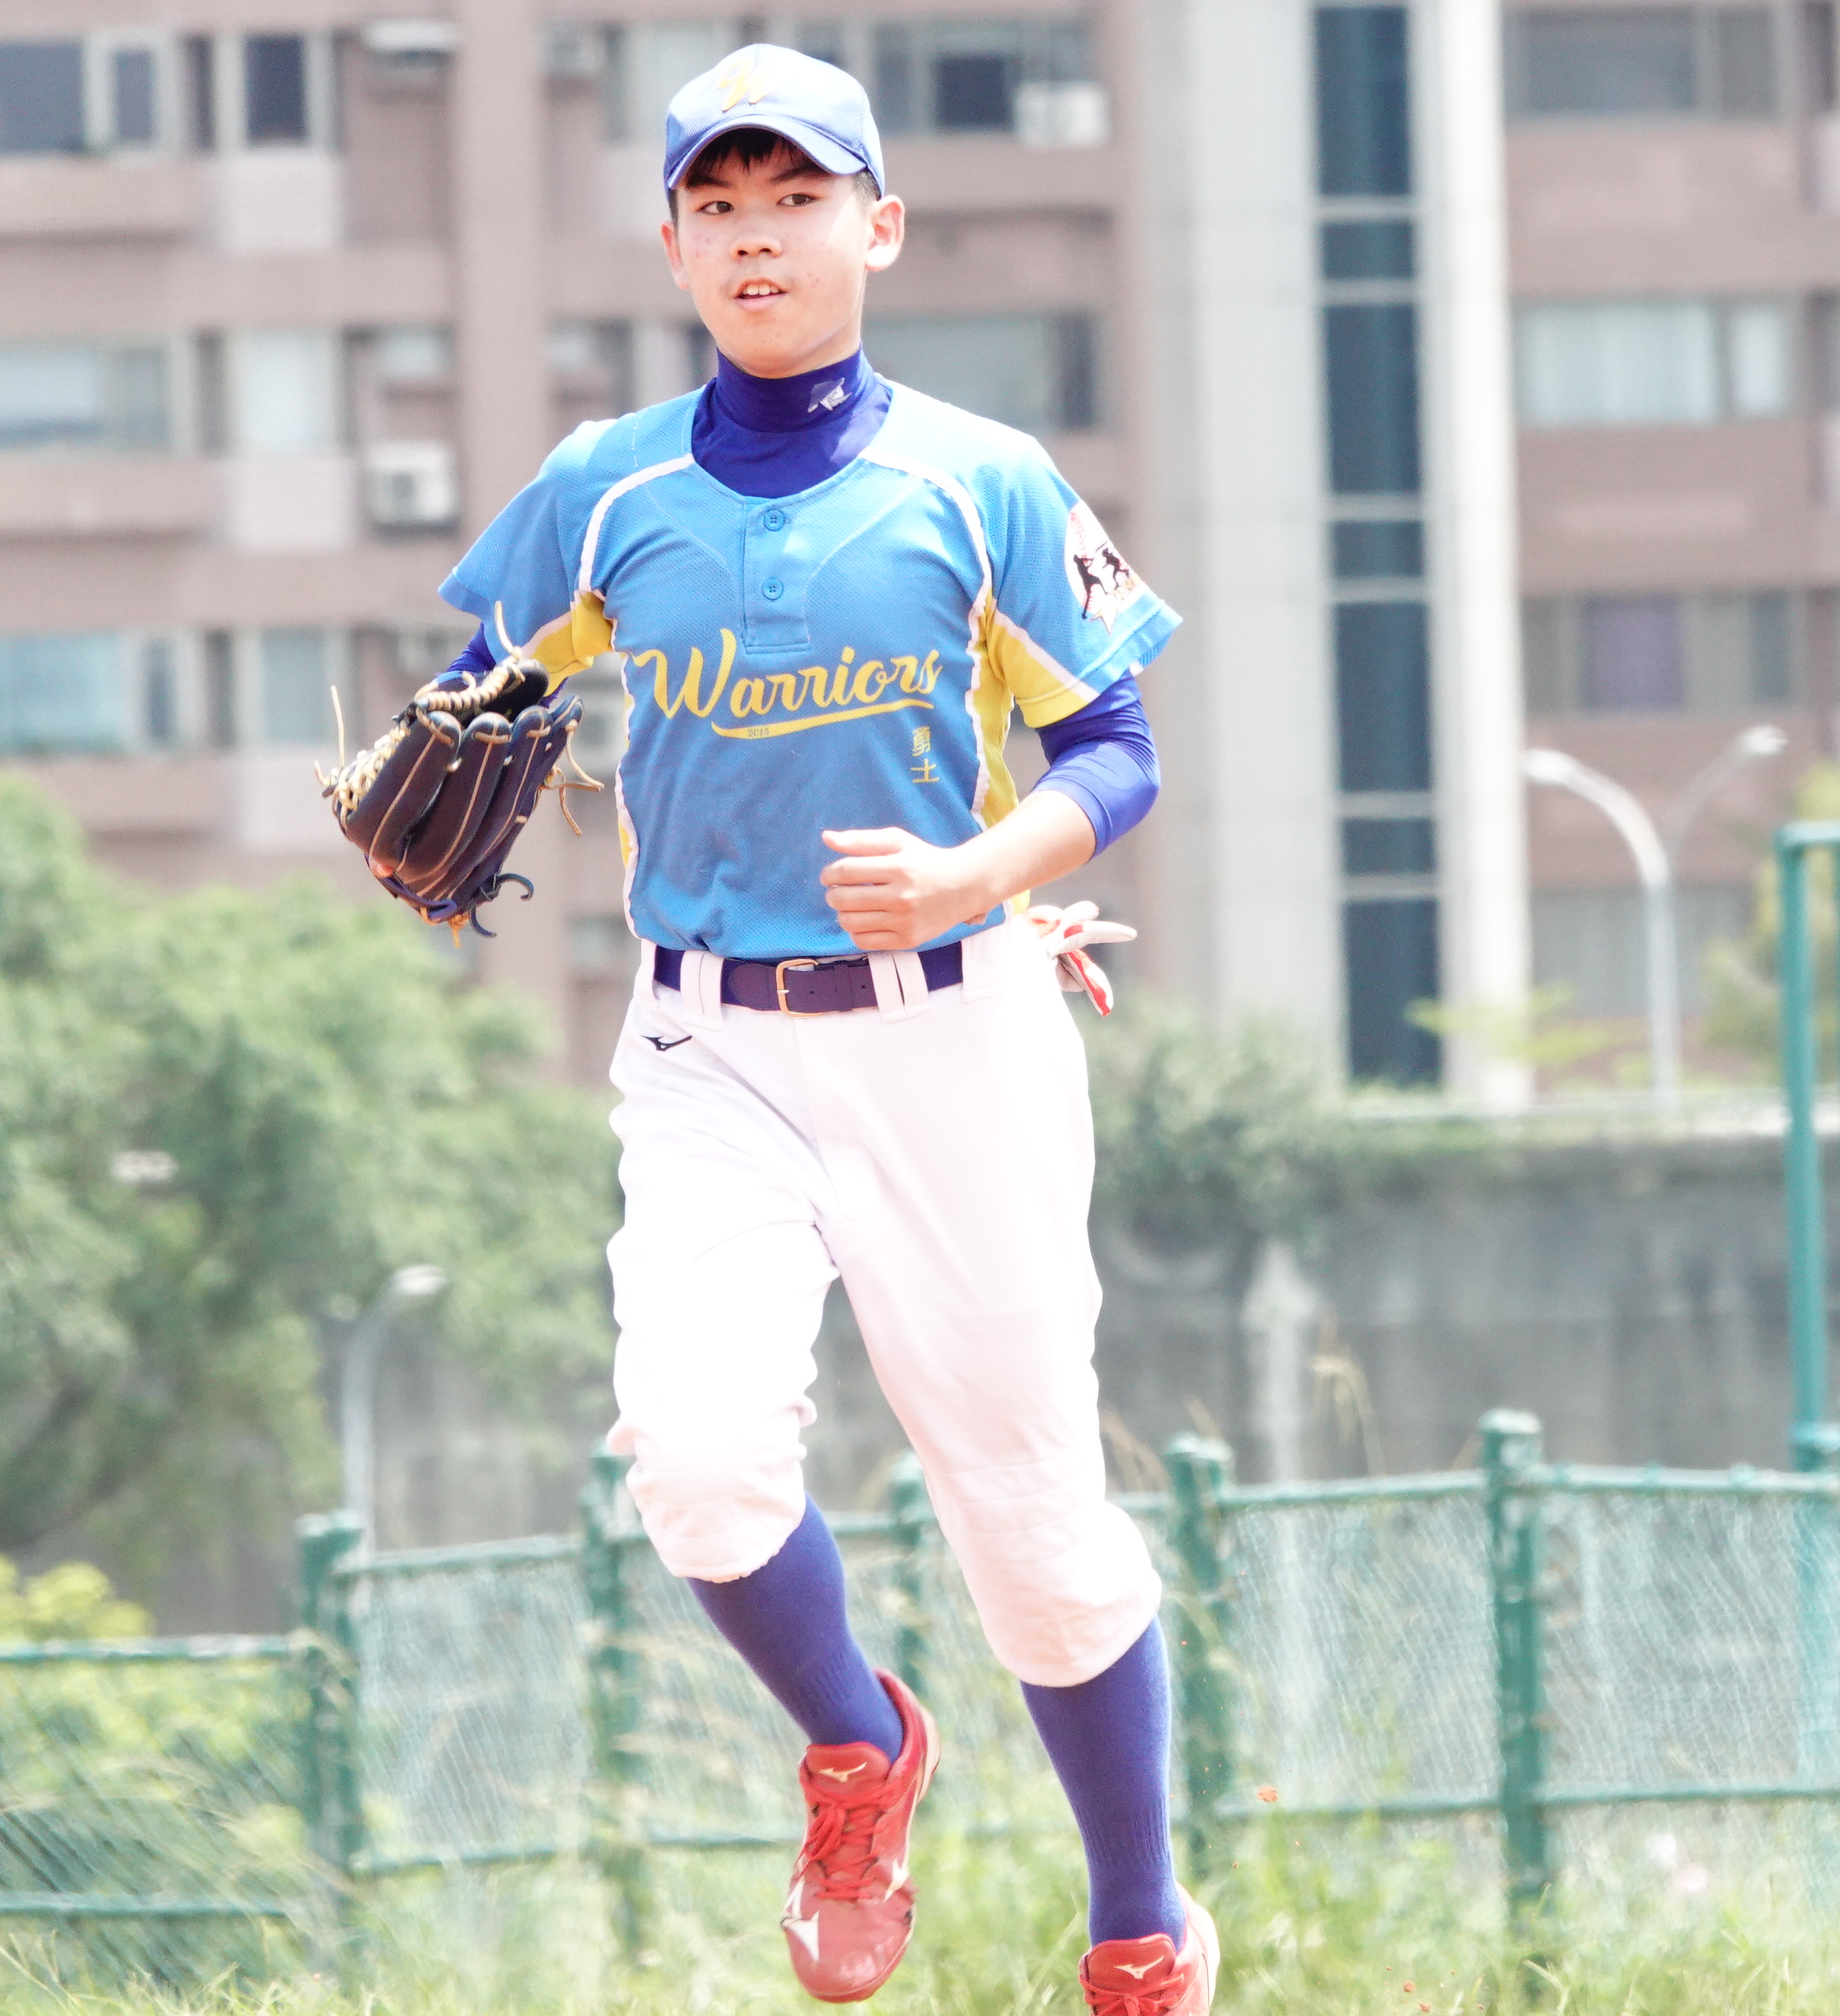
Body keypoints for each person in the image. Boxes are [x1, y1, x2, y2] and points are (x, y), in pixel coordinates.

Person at [425, 44, 1210, 2013]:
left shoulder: (981, 477)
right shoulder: (606, 487)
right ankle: (861, 1750)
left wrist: (977, 876)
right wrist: (442, 753)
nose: (756, 236)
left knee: (1030, 1521)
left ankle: (1141, 1927)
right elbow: (478, 686)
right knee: (694, 1461)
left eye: (796, 199)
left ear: (881, 226)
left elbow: (1116, 748)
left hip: (956, 1040)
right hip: (711, 1043)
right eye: (718, 204)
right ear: (674, 244)